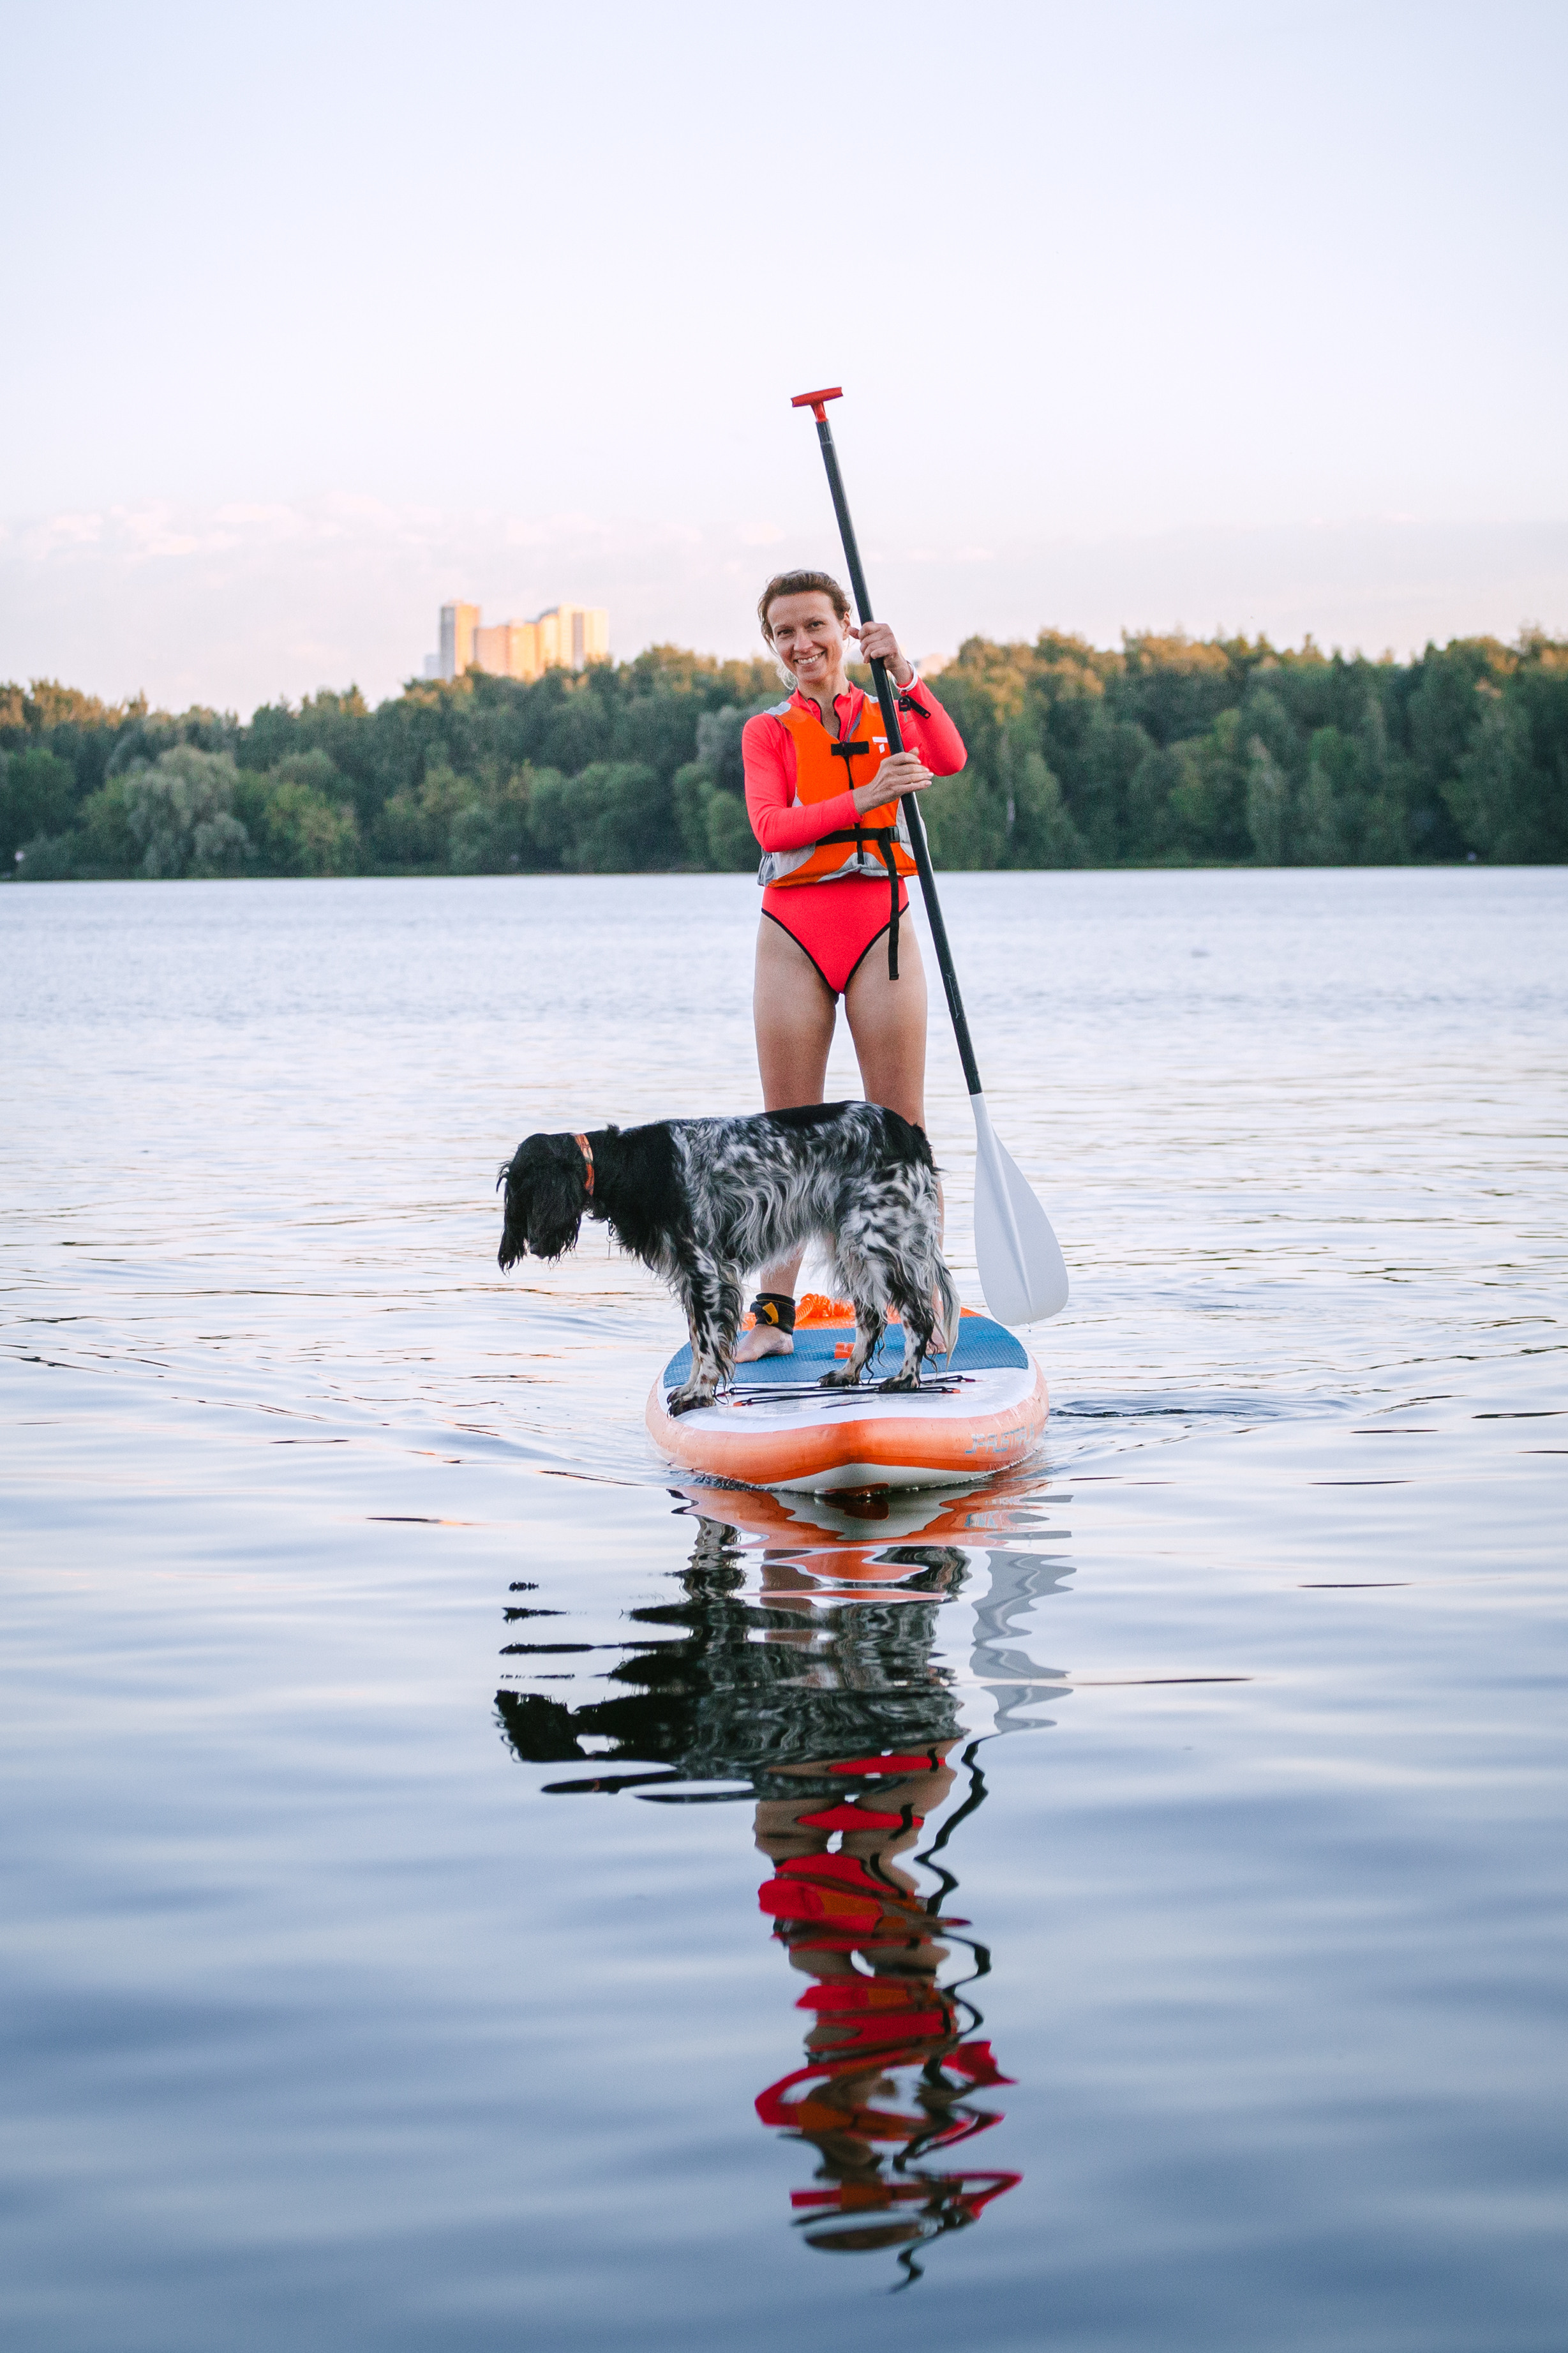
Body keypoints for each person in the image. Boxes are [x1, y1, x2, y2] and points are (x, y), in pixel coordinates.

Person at [734, 569, 967, 1362]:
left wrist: (904, 672)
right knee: (788, 1137)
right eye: (783, 632)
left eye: (813, 626)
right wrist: (869, 794)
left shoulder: (886, 709)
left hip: (883, 926)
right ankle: (771, 1313)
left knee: (899, 1131)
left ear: (845, 628)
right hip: (794, 934)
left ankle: (923, 1299)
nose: (801, 645)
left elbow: (950, 755)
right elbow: (771, 826)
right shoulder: (766, 731)